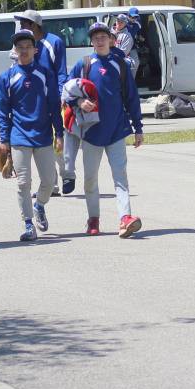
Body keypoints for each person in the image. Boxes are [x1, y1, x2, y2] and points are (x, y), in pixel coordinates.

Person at [66, 22, 144, 238]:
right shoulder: (84, 64)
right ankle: (93, 219)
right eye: (95, 37)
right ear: (91, 41)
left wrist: (138, 127)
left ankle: (125, 218)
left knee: (120, 176)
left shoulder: (120, 64)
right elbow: (65, 90)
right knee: (90, 179)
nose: (99, 41)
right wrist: (79, 102)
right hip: (92, 132)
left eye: (103, 37)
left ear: (111, 39)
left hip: (117, 130)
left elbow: (132, 97)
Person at [0, 29, 64, 242]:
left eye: (28, 47)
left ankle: (39, 206)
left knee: (49, 179)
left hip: (43, 135)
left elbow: (54, 104)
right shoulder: (7, 77)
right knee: (23, 183)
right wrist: (4, 140)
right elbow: (2, 111)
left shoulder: (45, 73)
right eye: (20, 47)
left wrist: (59, 133)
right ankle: (28, 224)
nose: (24, 51)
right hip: (19, 137)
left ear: (35, 50)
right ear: (15, 51)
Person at [12, 9, 71, 195]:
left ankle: (67, 174)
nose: (21, 26)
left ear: (34, 25)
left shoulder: (54, 42)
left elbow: (61, 71)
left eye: (24, 23)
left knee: (58, 138)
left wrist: (62, 94)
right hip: (32, 100)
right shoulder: (21, 44)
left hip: (53, 96)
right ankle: (52, 185)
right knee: (44, 142)